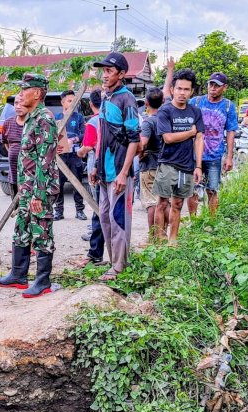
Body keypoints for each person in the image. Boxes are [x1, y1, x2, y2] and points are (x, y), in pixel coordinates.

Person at [0, 73, 59, 298]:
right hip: (27, 187)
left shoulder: (45, 118)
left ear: (37, 93)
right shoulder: (31, 117)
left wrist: (39, 194)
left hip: (39, 189)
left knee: (41, 232)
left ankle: (43, 281)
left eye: (25, 90)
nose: (20, 94)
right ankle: (18, 274)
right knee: (21, 228)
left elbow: (46, 159)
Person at [93, 52, 141, 281]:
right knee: (104, 216)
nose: (105, 75)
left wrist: (124, 173)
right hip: (103, 170)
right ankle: (113, 262)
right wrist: (95, 165)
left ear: (121, 74)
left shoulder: (127, 99)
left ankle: (119, 266)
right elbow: (102, 133)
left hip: (119, 171)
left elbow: (134, 139)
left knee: (118, 218)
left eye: (109, 71)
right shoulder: (106, 98)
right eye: (103, 70)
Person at [154, 69, 205, 244]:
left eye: (186, 89)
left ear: (191, 92)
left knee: (177, 204)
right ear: (173, 89)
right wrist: (190, 131)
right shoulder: (165, 111)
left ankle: (172, 241)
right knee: (162, 203)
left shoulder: (195, 112)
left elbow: (199, 138)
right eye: (179, 88)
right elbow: (167, 138)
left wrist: (198, 166)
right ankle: (159, 240)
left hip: (187, 166)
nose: (182, 93)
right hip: (167, 163)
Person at [187, 72, 238, 216]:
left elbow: (230, 131)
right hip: (194, 155)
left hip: (214, 155)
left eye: (217, 86)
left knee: (212, 190)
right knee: (193, 190)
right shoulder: (196, 102)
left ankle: (211, 221)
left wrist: (229, 157)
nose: (213, 88)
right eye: (211, 84)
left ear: (225, 88)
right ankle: (194, 222)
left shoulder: (228, 106)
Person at [75, 89, 106, 265]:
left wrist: (78, 151)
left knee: (98, 210)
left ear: (92, 104)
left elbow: (86, 148)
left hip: (97, 168)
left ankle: (95, 253)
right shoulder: (115, 118)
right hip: (116, 170)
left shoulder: (93, 122)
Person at [138, 87, 167, 242]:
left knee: (152, 204)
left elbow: (142, 144)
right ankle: (163, 234)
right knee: (163, 202)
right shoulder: (166, 120)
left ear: (146, 103)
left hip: (149, 166)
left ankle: (153, 238)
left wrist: (140, 154)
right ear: (163, 101)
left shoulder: (148, 122)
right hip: (165, 165)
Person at [54, 90, 87, 221]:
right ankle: (58, 211)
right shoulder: (57, 118)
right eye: (69, 100)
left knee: (77, 183)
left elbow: (84, 135)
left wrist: (74, 140)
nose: (72, 103)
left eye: (74, 100)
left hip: (74, 155)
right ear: (62, 102)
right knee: (59, 184)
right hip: (61, 156)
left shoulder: (79, 117)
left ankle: (79, 210)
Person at [1, 94, 26, 197]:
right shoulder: (8, 123)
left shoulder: (34, 123)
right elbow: (6, 142)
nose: (18, 106)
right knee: (16, 206)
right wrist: (13, 152)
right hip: (14, 176)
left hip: (31, 177)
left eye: (21, 103)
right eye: (16, 103)